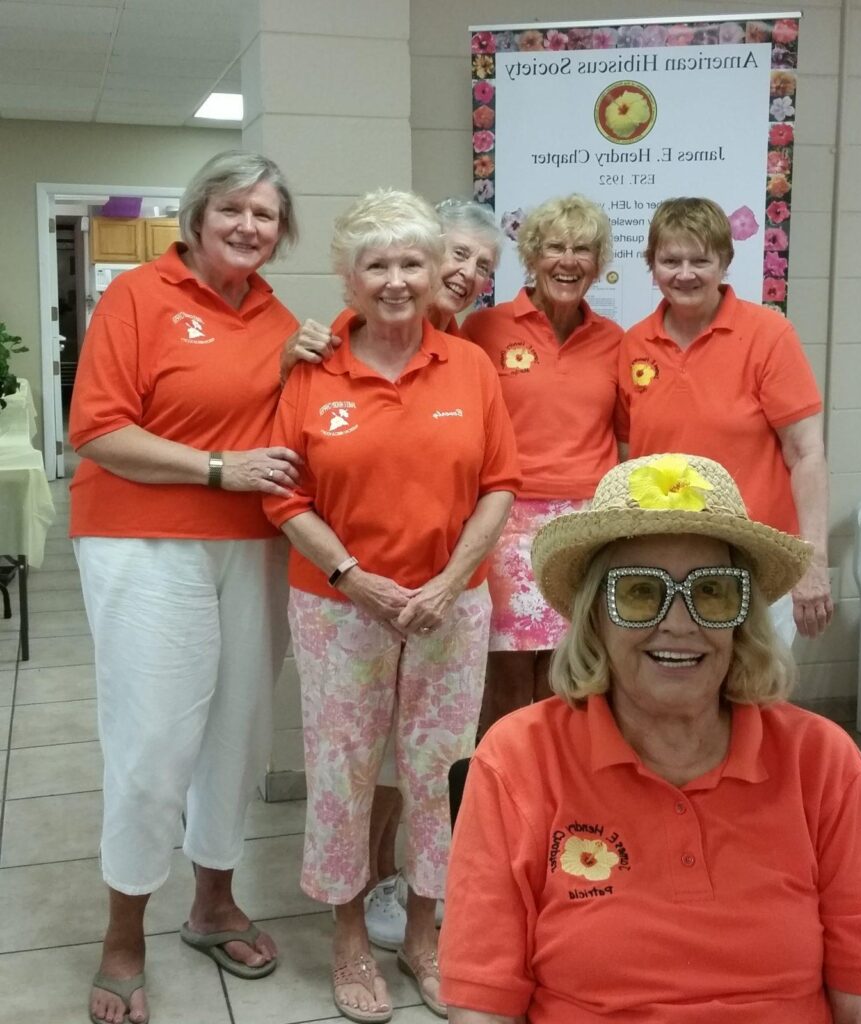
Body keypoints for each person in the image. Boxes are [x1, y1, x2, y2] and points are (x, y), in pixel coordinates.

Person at [440, 452, 861, 1023]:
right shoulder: (516, 760)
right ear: (595, 615)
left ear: (743, 617)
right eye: (641, 592)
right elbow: (482, 1006)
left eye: (712, 591)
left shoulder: (824, 763)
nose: (679, 622)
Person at [263, 188, 520, 1022]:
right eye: (378, 264)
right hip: (341, 609)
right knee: (341, 776)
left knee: (440, 774)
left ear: (435, 269)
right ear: (348, 278)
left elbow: (499, 486)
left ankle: (421, 935)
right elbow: (283, 496)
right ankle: (346, 939)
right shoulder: (311, 369)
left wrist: (448, 583)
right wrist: (353, 577)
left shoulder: (470, 367)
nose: (398, 279)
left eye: (414, 262)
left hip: (450, 606)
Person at [70, 151, 302, 1024]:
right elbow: (96, 428)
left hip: (252, 543)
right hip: (143, 540)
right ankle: (123, 931)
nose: (250, 226)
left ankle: (213, 902)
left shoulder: (281, 317)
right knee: (153, 740)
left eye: (267, 216)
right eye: (235, 209)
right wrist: (217, 468)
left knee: (238, 732)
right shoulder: (138, 296)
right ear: (199, 214)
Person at [357, 199, 503, 952]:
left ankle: (408, 882)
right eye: (459, 254)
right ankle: (378, 872)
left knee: (428, 749)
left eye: (485, 266)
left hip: (447, 581)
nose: (469, 274)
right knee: (375, 749)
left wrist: (451, 580)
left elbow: (492, 474)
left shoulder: (464, 349)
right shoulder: (356, 336)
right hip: (359, 594)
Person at [618, 196, 832, 645]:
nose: (685, 273)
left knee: (756, 698)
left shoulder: (769, 336)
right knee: (677, 699)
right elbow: (626, 455)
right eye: (670, 259)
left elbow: (806, 452)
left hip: (757, 563)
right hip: (663, 563)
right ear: (652, 265)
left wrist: (812, 562)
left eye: (701, 259)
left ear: (725, 262)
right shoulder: (634, 343)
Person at [461, 194, 624, 736]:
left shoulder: (615, 341)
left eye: (583, 249)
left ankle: (562, 797)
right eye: (555, 247)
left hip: (583, 528)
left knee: (569, 677)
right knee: (506, 680)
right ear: (531, 255)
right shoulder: (483, 330)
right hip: (503, 522)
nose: (568, 260)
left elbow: (625, 436)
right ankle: (506, 798)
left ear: (598, 263)